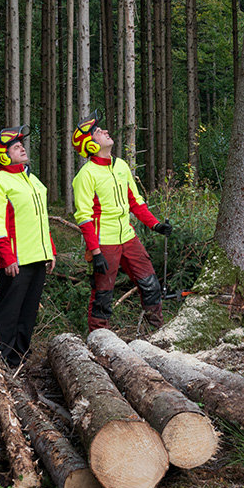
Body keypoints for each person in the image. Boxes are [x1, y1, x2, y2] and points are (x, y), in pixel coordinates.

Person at [71, 117, 173, 331]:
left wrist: (155, 225)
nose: (106, 131)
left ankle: (157, 333)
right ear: (90, 144)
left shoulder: (121, 166)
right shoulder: (86, 175)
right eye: (99, 131)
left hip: (128, 237)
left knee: (150, 285)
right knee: (103, 295)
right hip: (104, 242)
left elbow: (135, 202)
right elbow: (84, 217)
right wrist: (95, 251)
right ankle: (99, 339)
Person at [0, 128, 56, 368]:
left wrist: (50, 249)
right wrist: (6, 255)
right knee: (8, 314)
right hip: (15, 260)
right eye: (15, 146)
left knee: (28, 313)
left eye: (21, 144)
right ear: (3, 156)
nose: (22, 148)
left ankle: (19, 360)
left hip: (37, 256)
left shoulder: (33, 180)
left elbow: (41, 219)